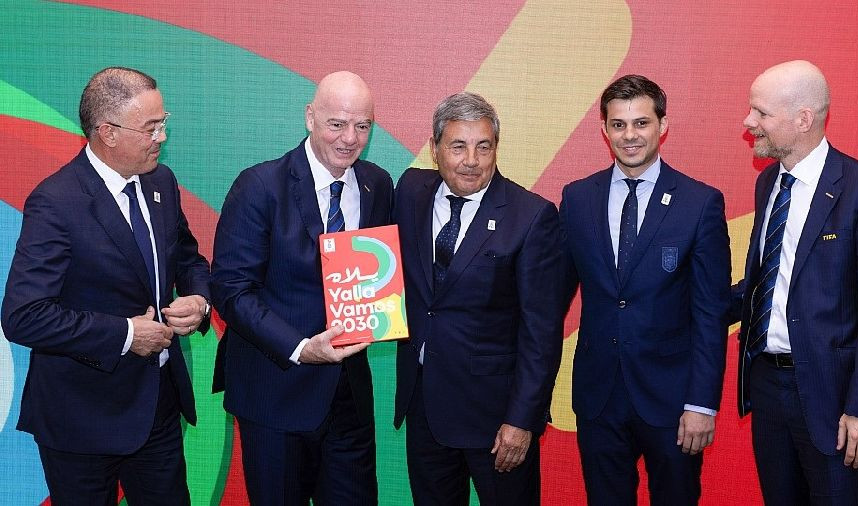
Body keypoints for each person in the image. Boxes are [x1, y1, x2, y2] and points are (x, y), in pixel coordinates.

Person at [1, 67, 211, 505]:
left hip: (157, 407)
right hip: (82, 418)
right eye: (151, 128)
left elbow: (188, 258)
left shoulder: (161, 182)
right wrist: (127, 335)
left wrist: (199, 298)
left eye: (163, 123)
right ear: (108, 133)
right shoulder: (56, 202)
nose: (162, 137)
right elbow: (24, 316)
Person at [210, 71, 392, 504]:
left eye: (362, 126)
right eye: (337, 124)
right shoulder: (259, 186)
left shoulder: (378, 185)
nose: (350, 138)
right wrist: (301, 347)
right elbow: (232, 290)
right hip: (275, 393)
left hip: (348, 401)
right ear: (310, 118)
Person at [734, 60, 858, 505]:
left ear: (803, 119)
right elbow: (766, 282)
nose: (748, 122)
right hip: (768, 391)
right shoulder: (769, 182)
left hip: (838, 402)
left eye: (761, 112)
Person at [560, 75, 731, 505]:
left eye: (641, 123)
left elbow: (710, 313)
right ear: (604, 130)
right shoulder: (577, 199)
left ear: (663, 125)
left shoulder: (700, 203)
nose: (630, 135)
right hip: (599, 398)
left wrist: (702, 404)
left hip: (673, 401)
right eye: (618, 125)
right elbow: (551, 298)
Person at [392, 91, 564, 506]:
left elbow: (541, 332)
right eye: (458, 146)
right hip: (425, 411)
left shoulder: (531, 216)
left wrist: (522, 420)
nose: (472, 160)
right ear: (434, 149)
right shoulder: (410, 191)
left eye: (483, 147)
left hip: (497, 422)